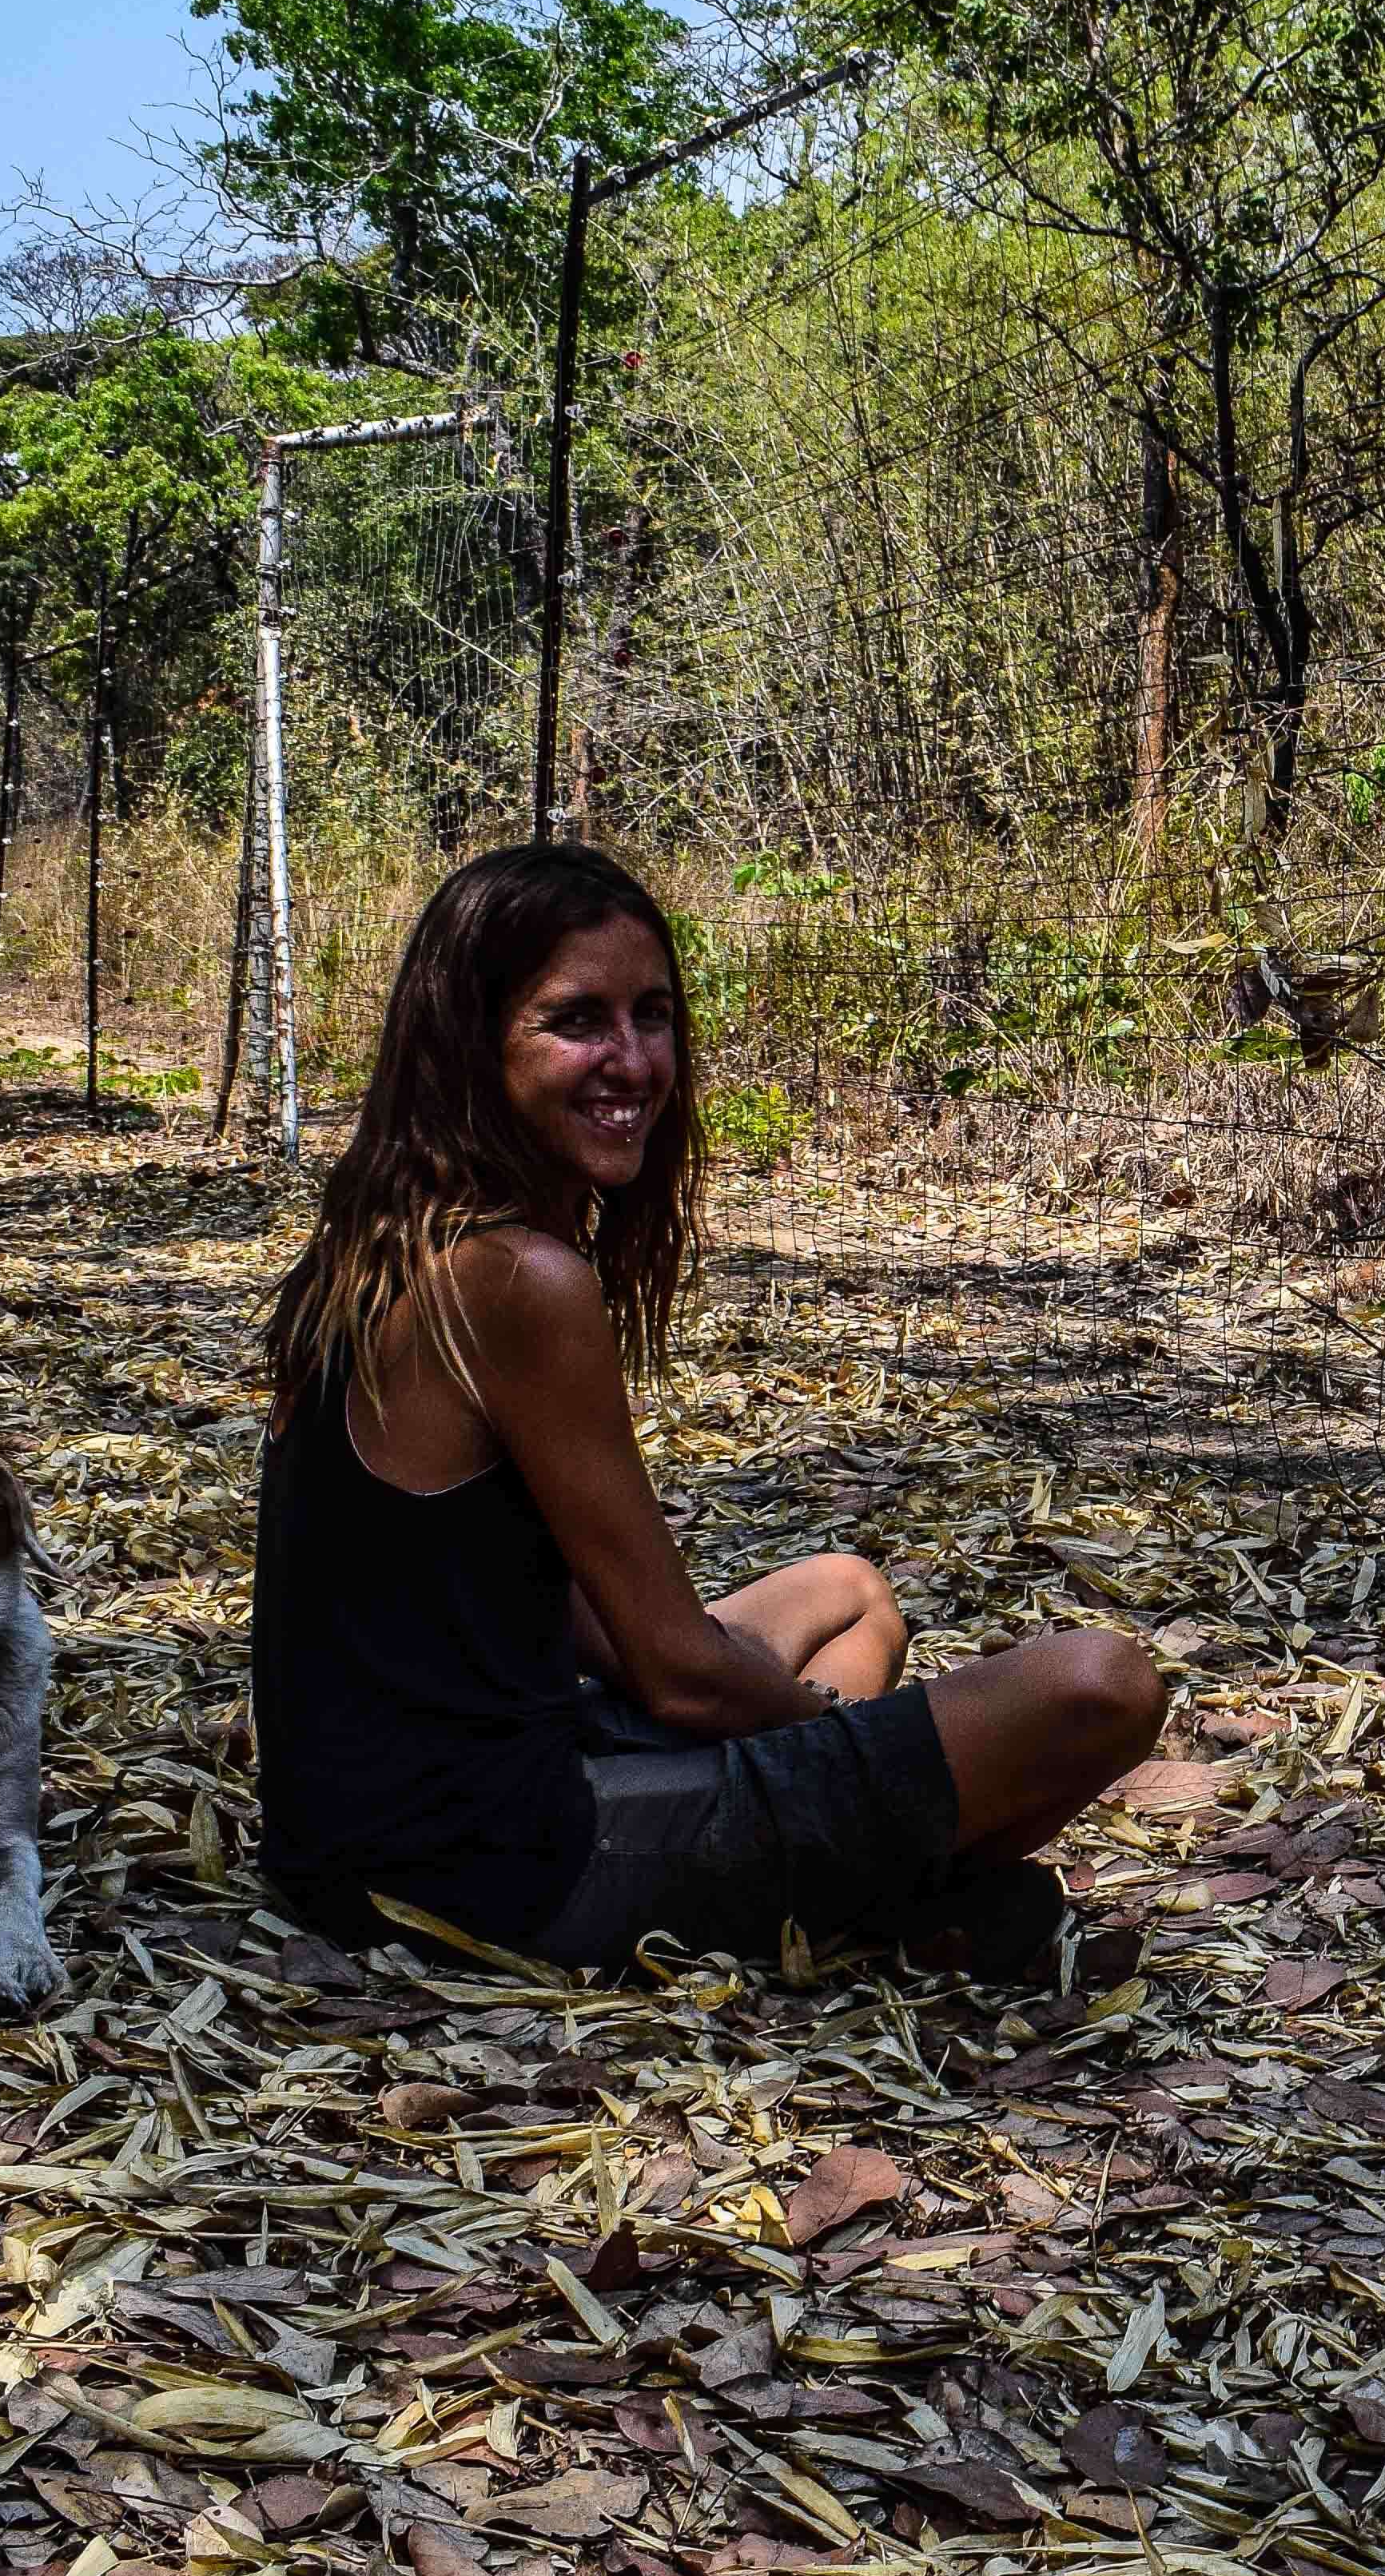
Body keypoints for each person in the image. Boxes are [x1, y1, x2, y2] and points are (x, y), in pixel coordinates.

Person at [249, 842, 1164, 1983]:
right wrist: (845, 1749)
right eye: (577, 1019)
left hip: (351, 1844)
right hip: (489, 1873)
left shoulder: (381, 1238)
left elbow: (576, 1621)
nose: (631, 1060)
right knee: (1100, 1687)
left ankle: (886, 1882)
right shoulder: (518, 1278)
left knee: (849, 1593)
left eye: (654, 1015)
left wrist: (812, 1730)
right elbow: (678, 1672)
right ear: (468, 1041)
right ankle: (907, 1893)